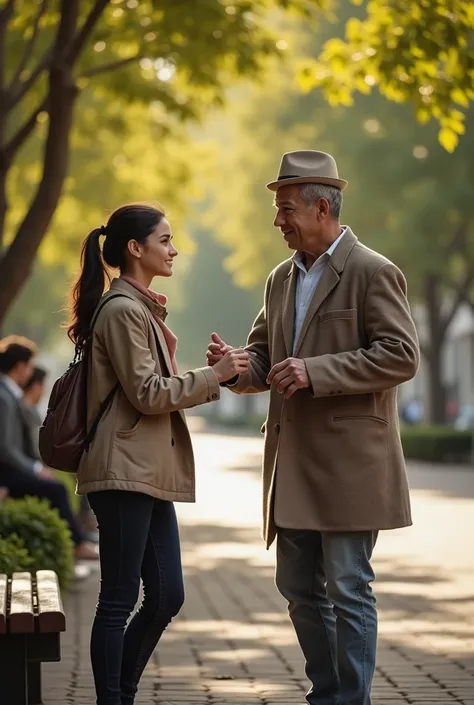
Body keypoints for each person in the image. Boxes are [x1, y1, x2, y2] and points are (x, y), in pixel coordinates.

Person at [207, 150, 420, 705]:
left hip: (352, 464)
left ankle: (350, 700)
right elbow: (264, 358)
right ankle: (327, 693)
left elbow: (401, 356)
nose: (277, 221)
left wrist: (316, 370)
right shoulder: (280, 279)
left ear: (321, 206)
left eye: (285, 209)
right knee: (299, 589)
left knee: (348, 588)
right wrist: (234, 367)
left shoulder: (374, 271)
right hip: (292, 465)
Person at [68, 203, 248, 705]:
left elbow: (151, 387)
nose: (173, 249)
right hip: (123, 470)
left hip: (146, 471)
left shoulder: (139, 307)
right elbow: (148, 393)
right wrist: (217, 376)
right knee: (118, 598)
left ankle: (120, 692)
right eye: (164, 240)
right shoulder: (123, 309)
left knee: (168, 594)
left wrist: (216, 372)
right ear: (135, 248)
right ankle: (114, 698)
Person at [0, 338, 98, 560]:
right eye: (30, 366)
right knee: (56, 489)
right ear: (20, 366)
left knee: (57, 485)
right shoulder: (4, 397)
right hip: (6, 473)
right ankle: (79, 543)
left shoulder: (9, 394)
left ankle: (79, 539)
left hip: (11, 469)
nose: (31, 372)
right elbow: (5, 448)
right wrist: (35, 468)